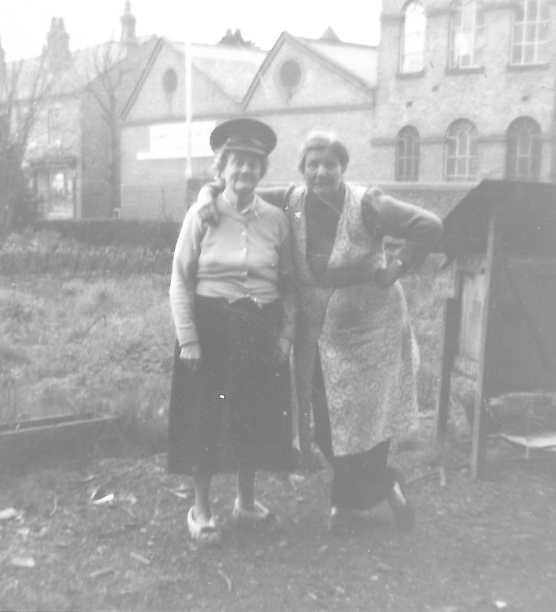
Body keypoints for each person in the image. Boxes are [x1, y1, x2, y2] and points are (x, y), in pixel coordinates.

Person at [197, 132, 442, 532]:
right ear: (302, 170)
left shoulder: (368, 203)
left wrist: (397, 267)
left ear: (343, 167)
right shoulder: (290, 200)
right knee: (326, 422)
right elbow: (236, 187)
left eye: (330, 164)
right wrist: (207, 194)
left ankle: (344, 506)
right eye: (313, 164)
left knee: (367, 420)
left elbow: (427, 224)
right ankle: (388, 487)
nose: (321, 172)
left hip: (372, 330)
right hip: (318, 331)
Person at [167, 118, 298, 547]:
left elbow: (289, 285)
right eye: (236, 162)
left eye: (253, 163)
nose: (244, 170)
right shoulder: (201, 214)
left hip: (259, 327)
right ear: (221, 168)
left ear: (262, 170)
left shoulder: (276, 220)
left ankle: (246, 502)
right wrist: (188, 339)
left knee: (252, 418)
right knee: (205, 419)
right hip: (211, 330)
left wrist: (285, 337)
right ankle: (201, 509)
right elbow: (180, 279)